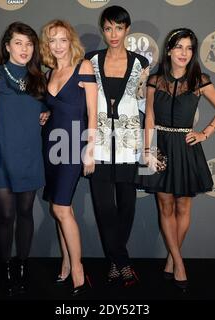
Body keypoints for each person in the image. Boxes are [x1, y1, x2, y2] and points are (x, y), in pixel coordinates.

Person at [139, 28, 215, 291]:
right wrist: (147, 150)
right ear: (169, 50)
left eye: (189, 48)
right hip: (160, 147)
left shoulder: (199, 80)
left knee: (183, 208)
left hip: (186, 147)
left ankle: (172, 259)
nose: (184, 53)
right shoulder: (155, 80)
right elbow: (149, 118)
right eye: (179, 47)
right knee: (164, 207)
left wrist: (205, 133)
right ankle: (179, 262)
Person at [0, 22, 49, 296]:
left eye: (29, 44)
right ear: (7, 46)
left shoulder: (40, 79)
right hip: (1, 157)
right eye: (18, 43)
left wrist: (46, 114)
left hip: (29, 156)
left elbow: (43, 111)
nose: (24, 49)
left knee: (26, 213)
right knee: (6, 216)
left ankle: (23, 265)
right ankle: (5, 266)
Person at [85, 5, 149, 288]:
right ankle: (122, 262)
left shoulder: (140, 64)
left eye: (119, 28)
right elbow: (81, 103)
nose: (113, 34)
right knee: (103, 208)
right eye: (108, 28)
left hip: (128, 145)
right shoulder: (90, 60)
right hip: (97, 145)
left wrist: (149, 147)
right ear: (103, 30)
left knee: (126, 206)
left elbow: (146, 108)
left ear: (127, 30)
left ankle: (114, 261)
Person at [40, 19, 97, 296]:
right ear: (47, 44)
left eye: (63, 39)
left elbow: (93, 113)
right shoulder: (48, 72)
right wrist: (44, 115)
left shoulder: (83, 67)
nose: (58, 45)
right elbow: (53, 110)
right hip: (51, 146)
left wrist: (90, 150)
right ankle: (66, 262)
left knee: (61, 210)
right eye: (53, 40)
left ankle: (78, 271)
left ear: (70, 41)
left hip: (75, 144)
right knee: (61, 209)